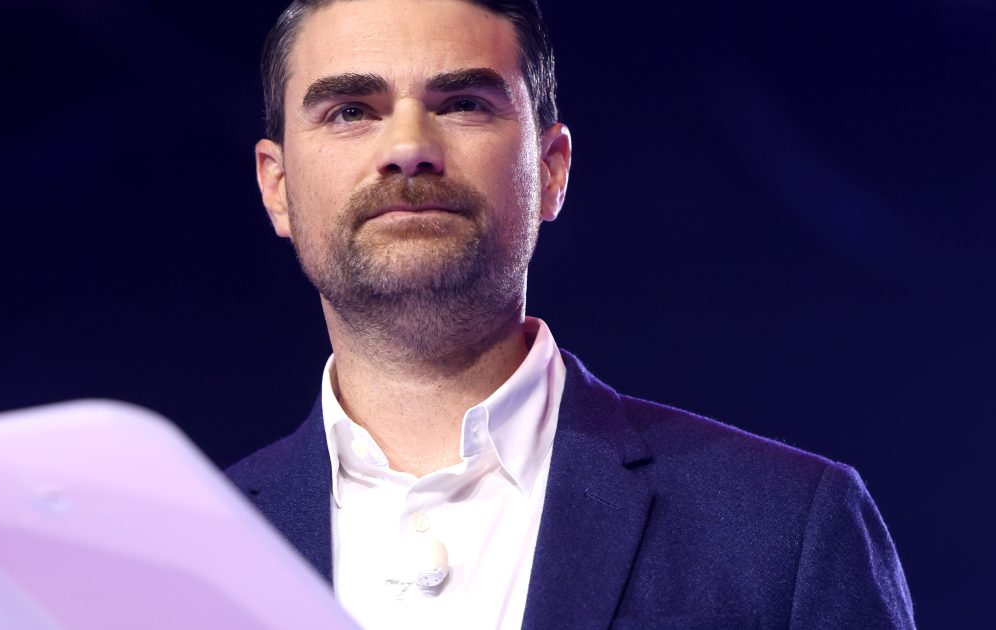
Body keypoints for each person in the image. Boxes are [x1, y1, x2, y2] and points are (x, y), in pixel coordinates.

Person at [225, 0, 915, 628]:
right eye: (350, 111)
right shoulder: (192, 545)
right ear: (276, 187)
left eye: (462, 103)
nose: (408, 148)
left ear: (551, 169)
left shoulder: (785, 530)